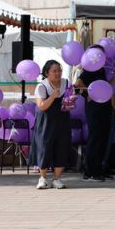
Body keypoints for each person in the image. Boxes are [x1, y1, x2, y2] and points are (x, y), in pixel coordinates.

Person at [76, 44, 115, 182]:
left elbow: (104, 87)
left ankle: (99, 168)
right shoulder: (89, 68)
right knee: (95, 138)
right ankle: (89, 171)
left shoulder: (102, 69)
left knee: (103, 138)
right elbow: (78, 84)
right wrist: (87, 93)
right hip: (93, 107)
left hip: (104, 105)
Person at [30, 61, 71, 189]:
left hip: (62, 120)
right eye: (54, 71)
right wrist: (53, 96)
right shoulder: (42, 86)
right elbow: (41, 107)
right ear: (47, 73)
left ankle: (57, 178)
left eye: (59, 70)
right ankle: (42, 178)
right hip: (46, 122)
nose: (58, 73)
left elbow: (69, 104)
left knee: (62, 147)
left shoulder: (66, 84)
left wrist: (70, 102)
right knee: (44, 148)